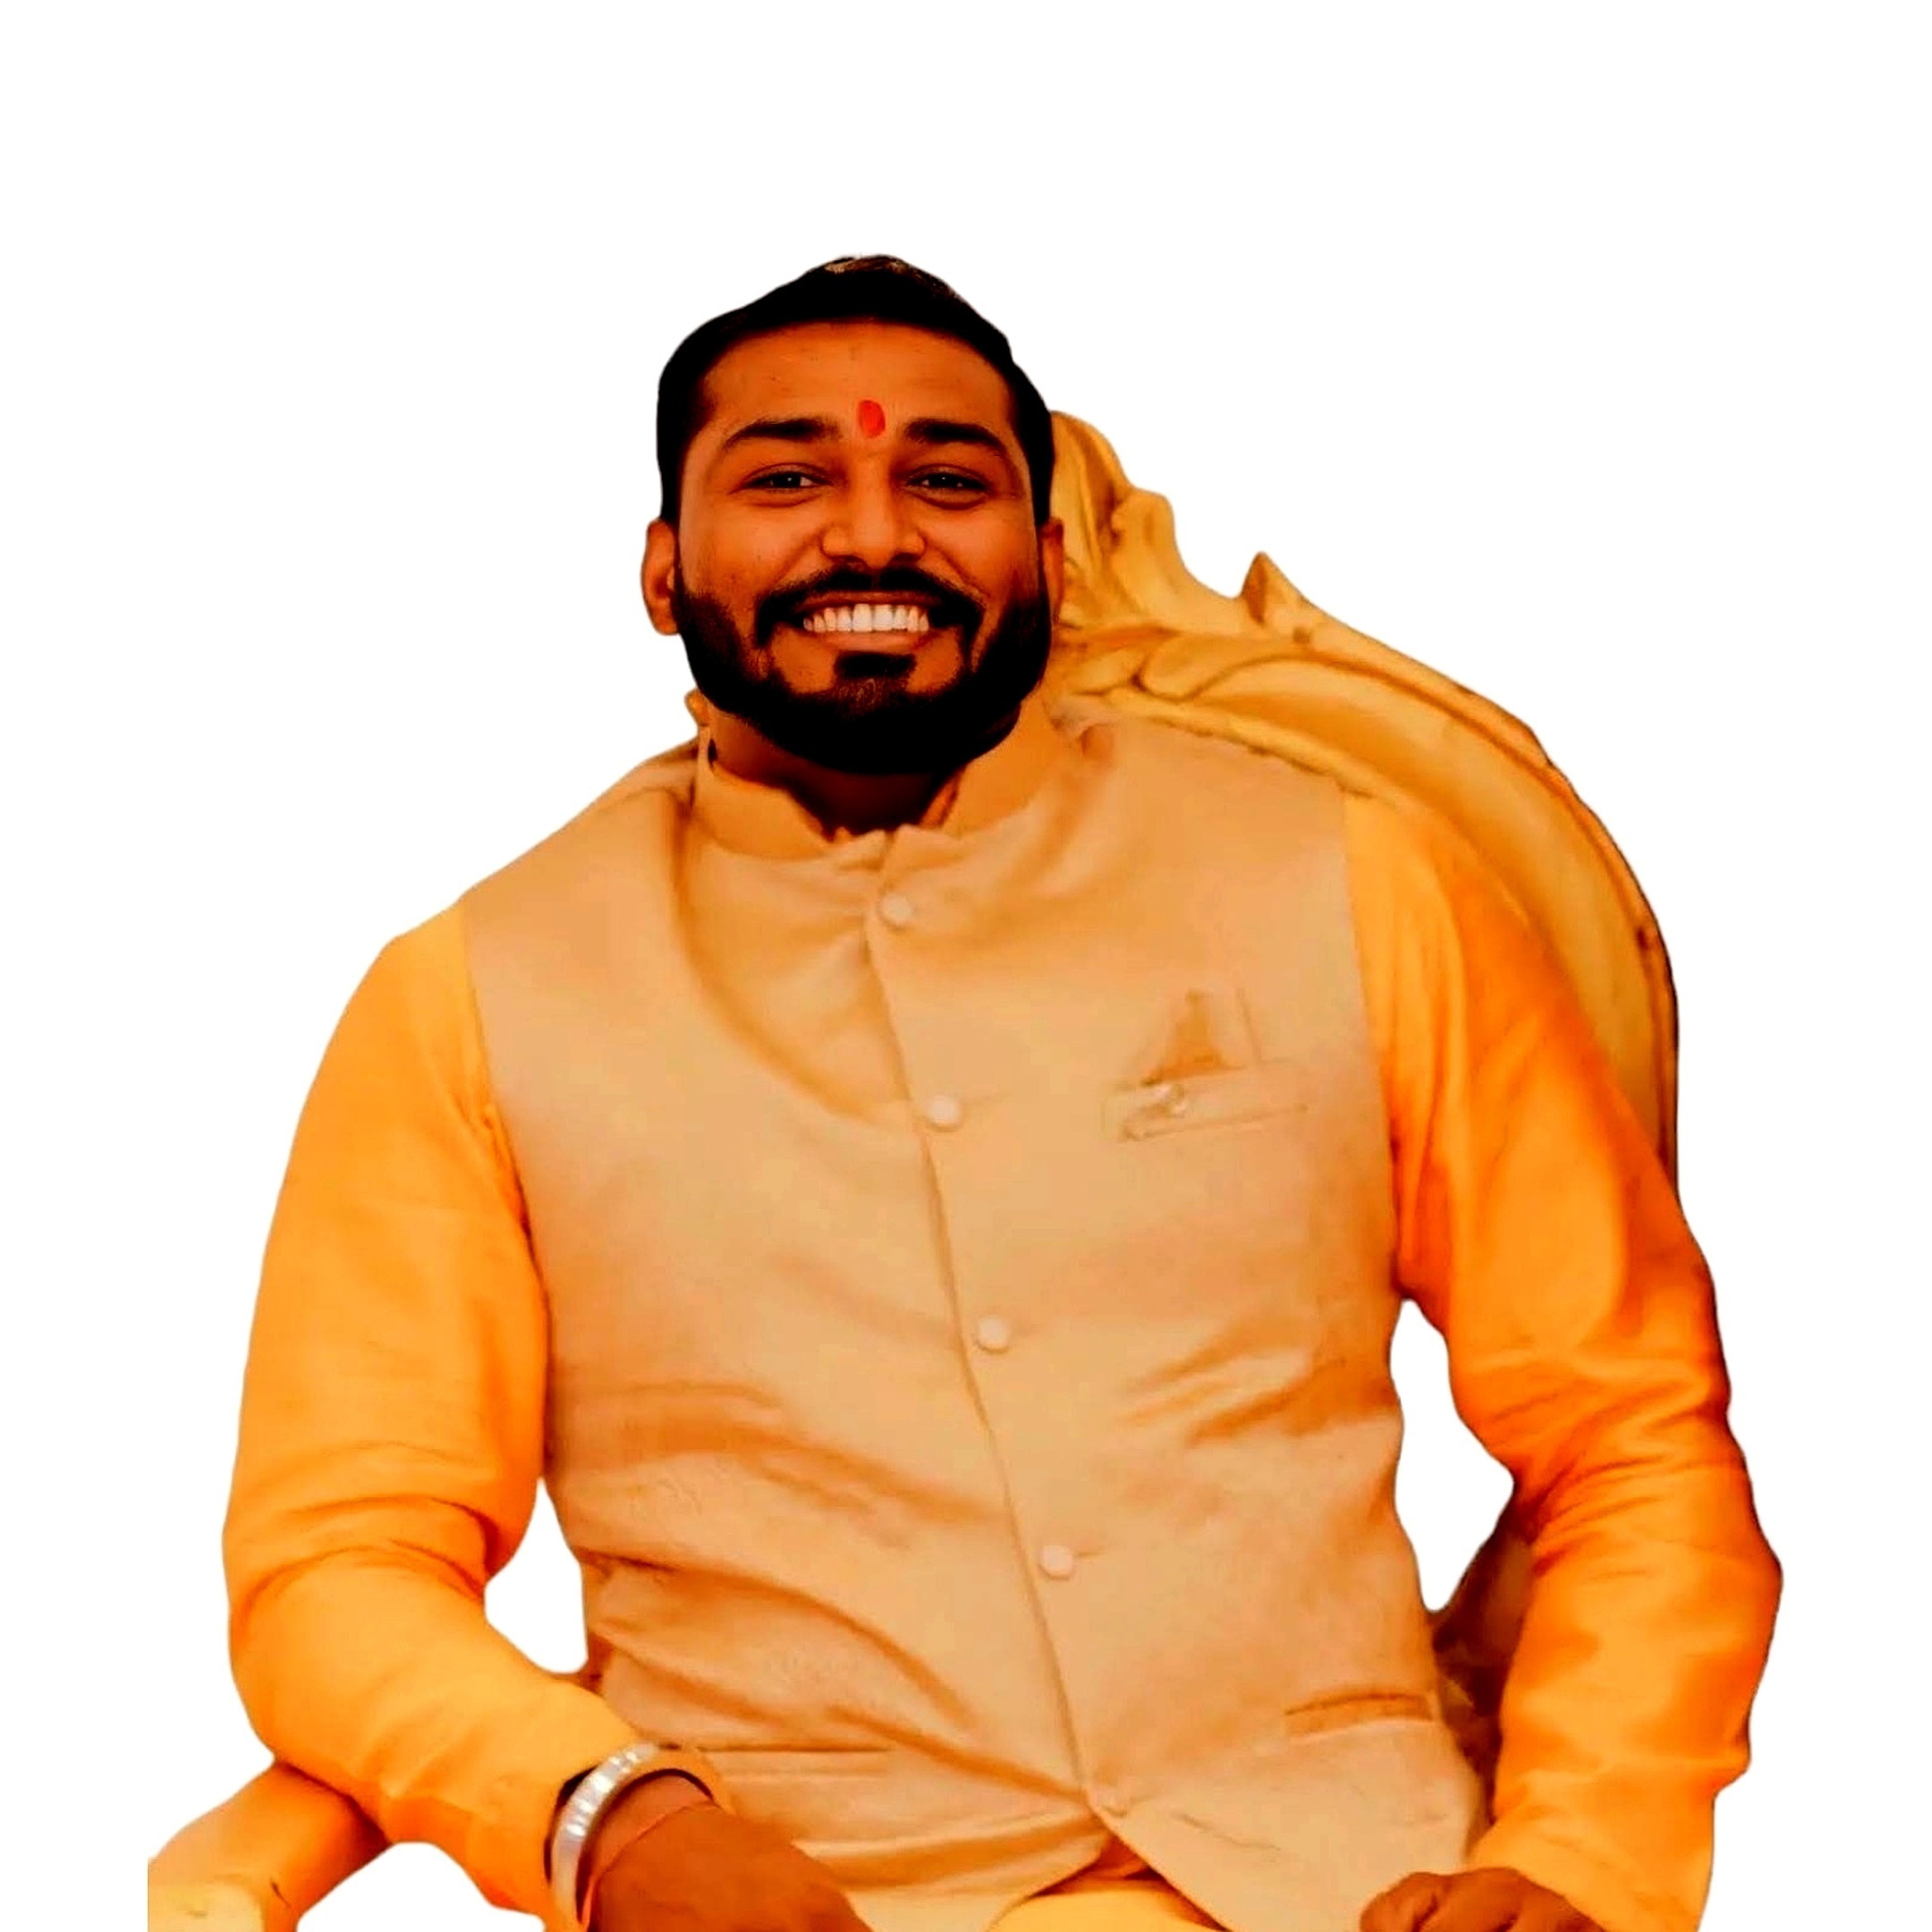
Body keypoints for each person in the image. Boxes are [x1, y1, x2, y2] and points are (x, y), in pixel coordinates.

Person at [220, 257, 1780, 1932]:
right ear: (663, 568)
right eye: (788, 479)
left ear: (1045, 555)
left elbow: (1630, 1437)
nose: (871, 538)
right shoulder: (475, 996)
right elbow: (340, 1565)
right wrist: (608, 1820)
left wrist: (1579, 1862)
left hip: (1349, 1885)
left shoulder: (1349, 885)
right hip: (803, 1897)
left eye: (947, 482)